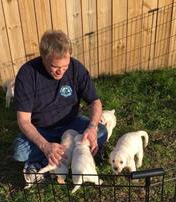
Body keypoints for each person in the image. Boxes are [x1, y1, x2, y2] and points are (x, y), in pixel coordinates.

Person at [12, 29, 108, 185]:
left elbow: (94, 102)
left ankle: (50, 160)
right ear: (43, 56)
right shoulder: (27, 74)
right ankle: (69, 153)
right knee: (19, 151)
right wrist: (44, 145)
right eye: (56, 67)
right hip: (42, 130)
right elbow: (23, 120)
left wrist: (91, 127)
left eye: (65, 66)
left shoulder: (76, 68)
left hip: (71, 124)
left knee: (101, 132)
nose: (61, 71)